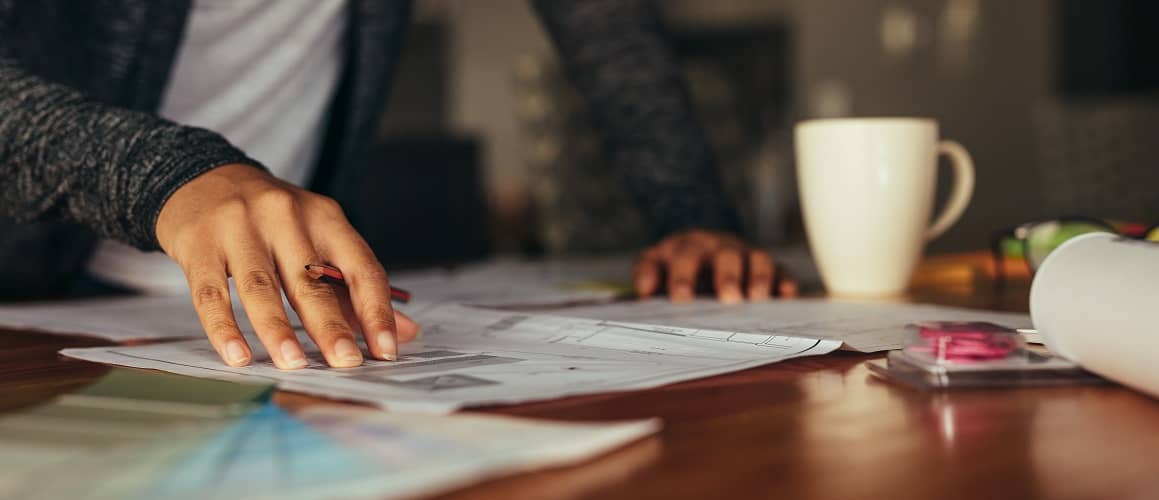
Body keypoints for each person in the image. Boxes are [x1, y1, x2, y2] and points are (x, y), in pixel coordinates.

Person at [0, 0, 795, 370]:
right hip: (30, 325)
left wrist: (694, 214)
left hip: (283, 333)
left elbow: (608, 32)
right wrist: (165, 178)